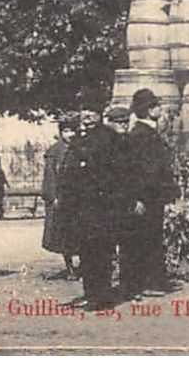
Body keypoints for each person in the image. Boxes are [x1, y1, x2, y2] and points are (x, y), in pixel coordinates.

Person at [120, 88, 179, 298]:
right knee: (143, 240)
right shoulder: (141, 135)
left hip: (152, 196)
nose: (160, 109)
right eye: (156, 105)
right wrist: (137, 197)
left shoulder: (146, 133)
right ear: (149, 109)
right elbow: (138, 171)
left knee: (150, 238)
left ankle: (150, 281)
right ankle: (142, 283)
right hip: (146, 198)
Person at [68, 108, 127, 309]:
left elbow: (113, 172)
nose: (87, 117)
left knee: (100, 250)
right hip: (83, 205)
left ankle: (101, 296)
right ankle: (90, 293)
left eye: (92, 113)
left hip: (102, 204)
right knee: (86, 251)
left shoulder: (108, 138)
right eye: (84, 113)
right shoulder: (80, 138)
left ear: (100, 115)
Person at [40, 115, 77, 279]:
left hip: (78, 197)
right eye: (66, 131)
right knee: (64, 235)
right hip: (61, 199)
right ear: (61, 133)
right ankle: (70, 267)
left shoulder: (80, 148)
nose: (70, 134)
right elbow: (50, 176)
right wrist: (53, 196)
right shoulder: (54, 151)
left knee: (80, 234)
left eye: (73, 130)